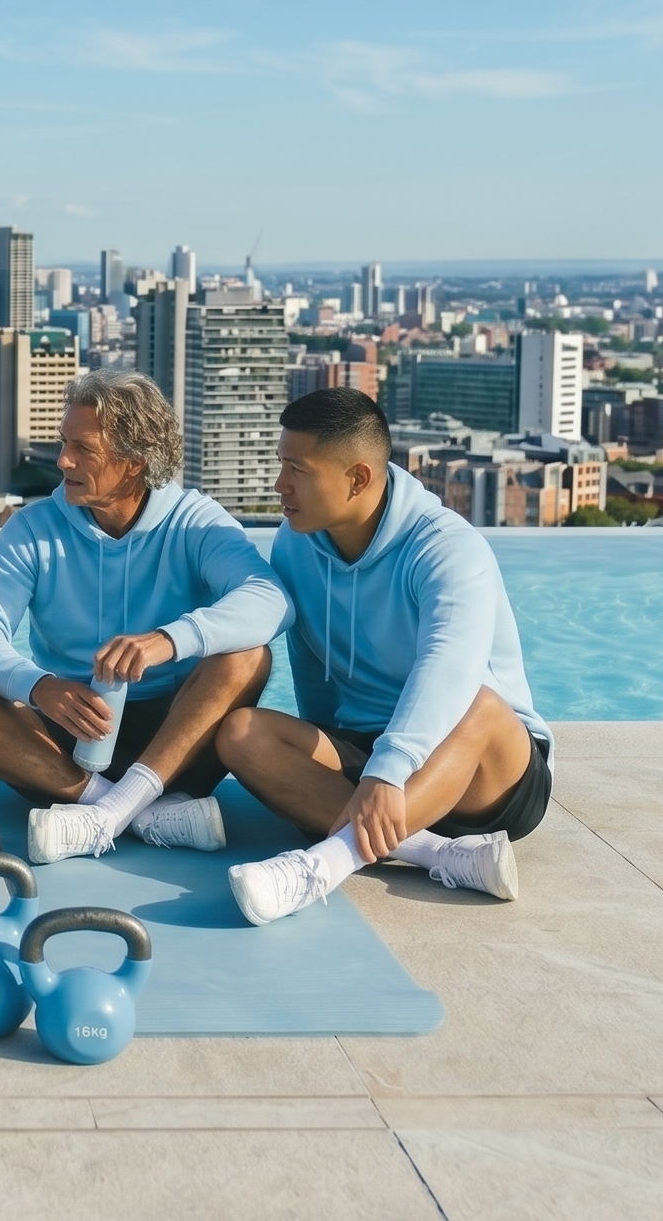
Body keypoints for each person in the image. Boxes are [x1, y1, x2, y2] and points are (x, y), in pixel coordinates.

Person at [216, 387, 550, 925]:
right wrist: (319, 761)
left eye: (297, 469)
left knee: (482, 703)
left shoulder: (446, 548)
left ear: (359, 478)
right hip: (370, 753)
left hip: (485, 769)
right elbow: (312, 667)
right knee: (240, 733)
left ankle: (321, 867)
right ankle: (438, 854)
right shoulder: (295, 543)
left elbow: (449, 665)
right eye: (282, 465)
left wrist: (388, 774)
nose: (280, 485)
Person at [0, 370, 289, 864]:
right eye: (63, 443)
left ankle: (109, 812)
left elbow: (271, 600)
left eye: (84, 449)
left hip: (176, 739)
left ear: (136, 462)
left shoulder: (195, 520)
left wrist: (168, 639)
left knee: (248, 656)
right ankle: (130, 813)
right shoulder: (33, 529)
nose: (63, 461)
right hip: (65, 741)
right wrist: (39, 686)